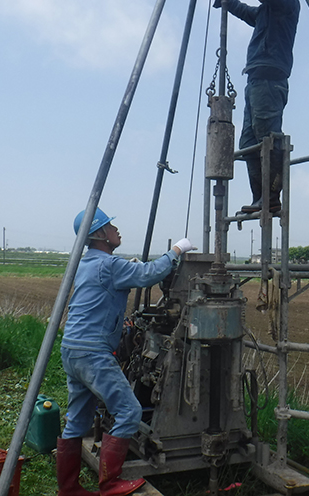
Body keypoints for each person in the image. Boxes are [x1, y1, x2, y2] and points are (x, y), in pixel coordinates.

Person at [56, 207, 195, 496]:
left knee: (78, 419)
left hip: (72, 349)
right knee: (129, 411)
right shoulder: (109, 266)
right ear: (98, 235)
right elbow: (148, 274)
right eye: (110, 227)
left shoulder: (85, 264)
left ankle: (68, 489)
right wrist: (177, 251)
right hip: (93, 352)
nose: (116, 230)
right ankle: (111, 484)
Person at [193, 0, 300, 214]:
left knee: (267, 136)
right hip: (255, 81)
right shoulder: (267, 12)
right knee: (250, 141)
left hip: (269, 80)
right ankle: (260, 198)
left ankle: (272, 198)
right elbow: (241, 9)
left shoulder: (287, 3)